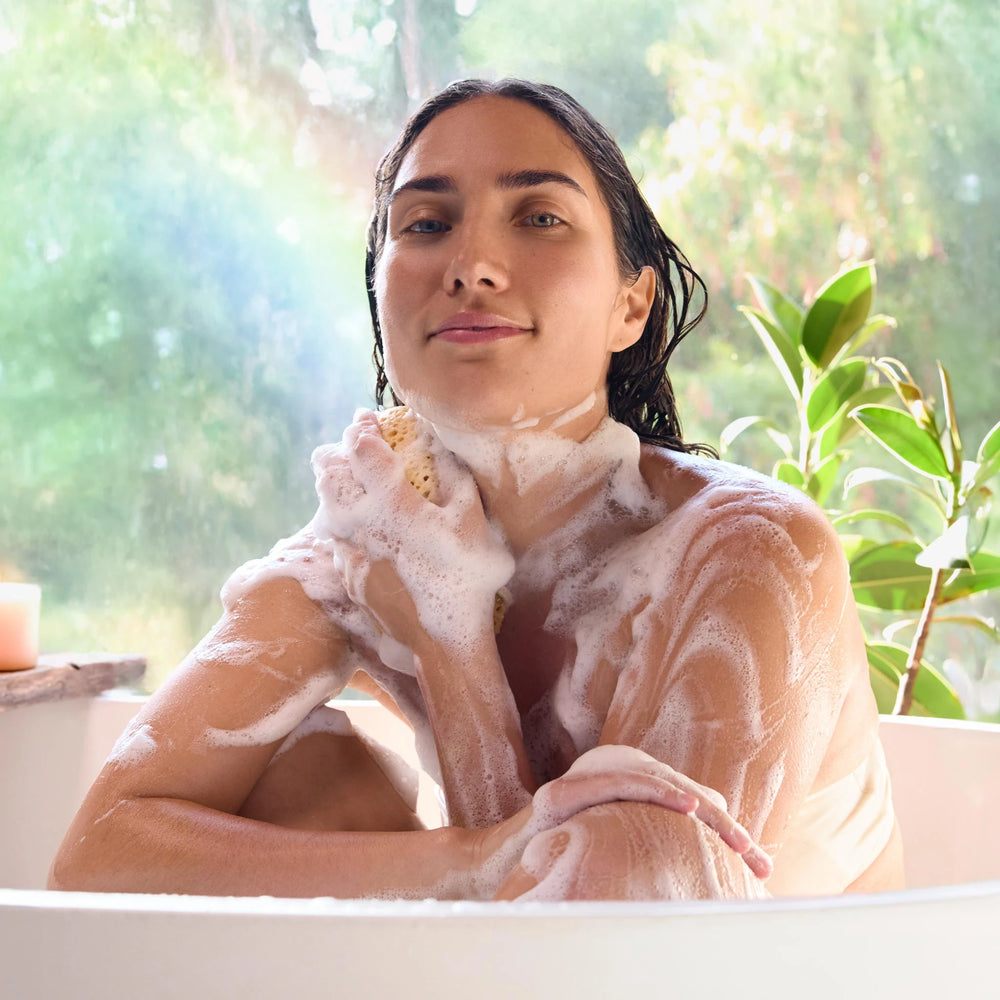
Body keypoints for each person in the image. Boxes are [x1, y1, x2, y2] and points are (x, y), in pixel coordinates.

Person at [49, 78, 903, 901]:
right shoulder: (379, 535)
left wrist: (449, 635)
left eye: (539, 217)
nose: (472, 266)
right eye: (427, 224)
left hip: (778, 973)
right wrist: (473, 861)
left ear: (631, 306)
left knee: (624, 841)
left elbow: (625, 928)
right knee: (297, 775)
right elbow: (96, 859)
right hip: (526, 963)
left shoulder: (749, 548)